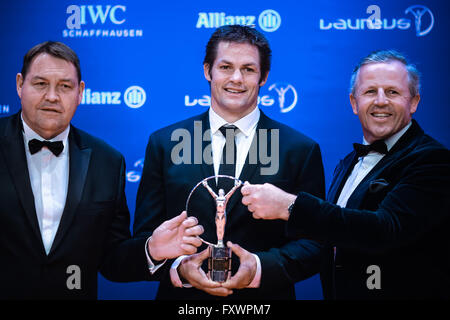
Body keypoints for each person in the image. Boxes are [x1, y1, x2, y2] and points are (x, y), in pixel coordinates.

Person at [133, 25, 325, 299]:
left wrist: (259, 267)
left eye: (248, 69)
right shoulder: (165, 143)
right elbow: (145, 239)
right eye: (225, 67)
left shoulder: (300, 149)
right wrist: (178, 267)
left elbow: (314, 242)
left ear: (264, 77)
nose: (236, 78)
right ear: (207, 70)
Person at [0, 41, 203, 299]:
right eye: (40, 84)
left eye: (65, 86)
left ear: (80, 92)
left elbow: (112, 260)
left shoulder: (107, 161)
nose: (52, 96)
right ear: (20, 85)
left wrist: (151, 249)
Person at [241, 50, 450, 299]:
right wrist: (259, 264)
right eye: (370, 91)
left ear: (414, 102)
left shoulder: (433, 160)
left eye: (392, 92)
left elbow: (385, 229)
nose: (381, 101)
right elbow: (333, 234)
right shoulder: (349, 163)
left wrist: (290, 206)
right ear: (354, 103)